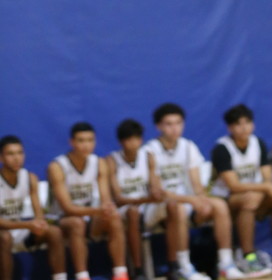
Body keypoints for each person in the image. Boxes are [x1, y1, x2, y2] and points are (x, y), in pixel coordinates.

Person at [144, 103, 242, 280]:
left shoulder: (188, 146)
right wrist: (191, 200)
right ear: (158, 126)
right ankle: (183, 267)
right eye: (169, 124)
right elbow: (158, 192)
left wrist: (202, 199)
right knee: (178, 208)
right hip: (157, 206)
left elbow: (196, 183)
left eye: (178, 123)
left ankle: (226, 264)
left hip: (186, 201)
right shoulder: (150, 150)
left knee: (219, 204)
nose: (175, 128)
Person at [209, 104, 272, 275]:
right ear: (230, 127)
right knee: (249, 199)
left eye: (247, 122)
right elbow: (234, 186)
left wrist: (267, 188)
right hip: (226, 200)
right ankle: (248, 257)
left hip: (255, 193)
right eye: (238, 124)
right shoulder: (221, 149)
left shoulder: (257, 143)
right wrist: (266, 188)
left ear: (253, 124)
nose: (244, 127)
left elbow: (267, 177)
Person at [46, 122, 129, 280]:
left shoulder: (99, 163)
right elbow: (68, 208)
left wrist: (107, 207)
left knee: (114, 218)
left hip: (89, 215)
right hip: (60, 220)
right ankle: (82, 276)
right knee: (76, 222)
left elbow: (105, 199)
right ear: (72, 142)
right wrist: (99, 210)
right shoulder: (57, 166)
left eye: (90, 140)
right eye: (81, 140)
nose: (86, 145)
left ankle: (121, 274)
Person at [0, 135, 65, 280]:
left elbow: (39, 213)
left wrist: (40, 223)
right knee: (4, 237)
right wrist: (27, 224)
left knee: (53, 232)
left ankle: (60, 277)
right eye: (10, 154)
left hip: (19, 228)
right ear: (1, 158)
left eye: (20, 153)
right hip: (4, 231)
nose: (17, 158)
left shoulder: (30, 178)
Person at [108, 119, 163, 280]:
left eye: (137, 139)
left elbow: (155, 187)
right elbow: (118, 199)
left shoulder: (148, 157)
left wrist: (156, 193)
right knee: (133, 213)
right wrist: (146, 199)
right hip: (124, 209)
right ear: (121, 142)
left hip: (145, 206)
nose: (133, 143)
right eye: (129, 139)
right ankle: (138, 271)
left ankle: (178, 265)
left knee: (174, 207)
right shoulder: (111, 161)